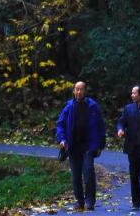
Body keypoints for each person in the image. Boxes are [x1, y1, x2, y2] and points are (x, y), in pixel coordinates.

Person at [56, 81, 106, 212]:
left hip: (88, 146)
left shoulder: (93, 106)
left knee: (89, 172)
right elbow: (60, 124)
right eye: (76, 89)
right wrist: (61, 139)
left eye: (81, 89)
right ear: (73, 91)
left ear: (85, 91)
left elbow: (101, 126)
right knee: (76, 176)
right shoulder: (69, 106)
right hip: (73, 146)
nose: (79, 92)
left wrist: (101, 144)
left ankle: (90, 201)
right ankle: (80, 201)